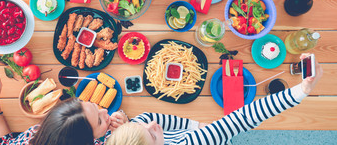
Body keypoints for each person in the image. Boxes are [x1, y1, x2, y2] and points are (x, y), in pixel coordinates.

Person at [106, 53, 323, 145]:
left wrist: (204, 127)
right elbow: (242, 119)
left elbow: (168, 123)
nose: (153, 125)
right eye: (153, 136)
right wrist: (302, 90)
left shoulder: (141, 122)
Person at [0, 74, 129, 145]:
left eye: (92, 105)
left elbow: (4, 142)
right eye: (99, 121)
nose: (104, 111)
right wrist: (127, 132)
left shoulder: (32, 136)